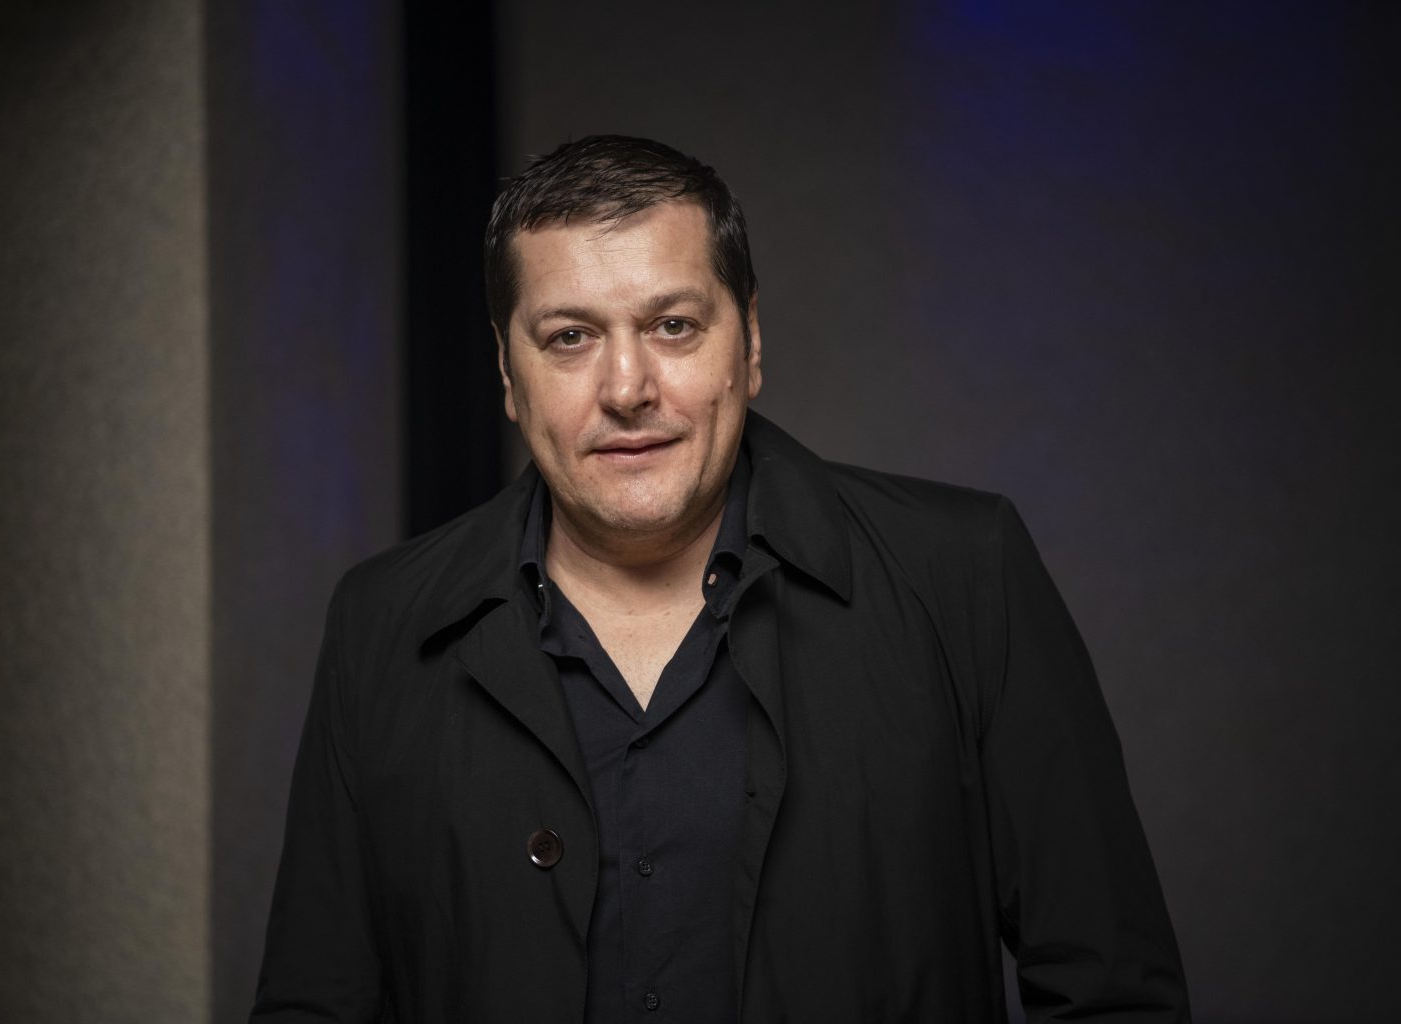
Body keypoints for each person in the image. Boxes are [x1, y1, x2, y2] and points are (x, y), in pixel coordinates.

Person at [251, 135, 1190, 1023]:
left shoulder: (963, 574)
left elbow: (1111, 990)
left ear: (749, 344)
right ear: (507, 371)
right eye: (570, 337)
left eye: (673, 326)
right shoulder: (383, 624)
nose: (627, 388)